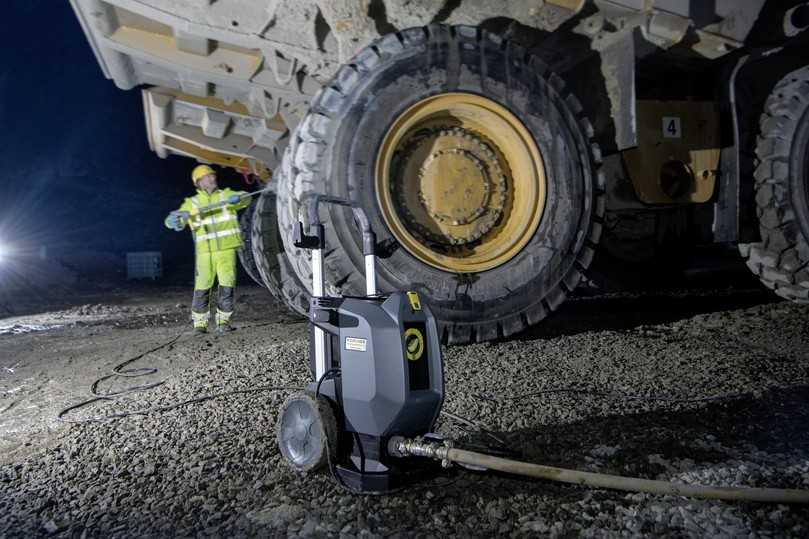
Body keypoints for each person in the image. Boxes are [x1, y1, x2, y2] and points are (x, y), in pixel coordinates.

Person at [164, 165, 250, 334]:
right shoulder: (192, 203)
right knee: (202, 287)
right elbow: (176, 218)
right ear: (199, 183)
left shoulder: (225, 196)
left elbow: (246, 198)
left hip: (226, 249)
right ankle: (200, 325)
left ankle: (223, 322)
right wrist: (171, 221)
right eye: (207, 177)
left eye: (212, 176)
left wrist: (239, 197)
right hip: (204, 253)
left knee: (227, 285)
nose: (212, 179)